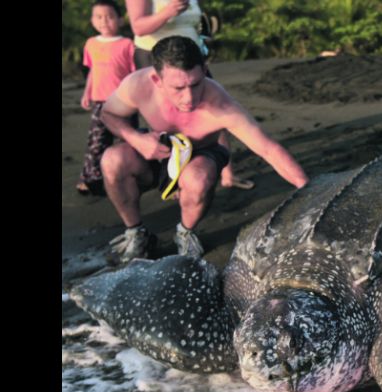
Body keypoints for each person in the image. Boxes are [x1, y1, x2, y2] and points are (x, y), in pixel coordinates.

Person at [99, 35, 309, 263]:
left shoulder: (221, 105)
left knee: (197, 177)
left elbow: (268, 149)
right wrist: (136, 139)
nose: (189, 97)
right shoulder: (138, 84)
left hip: (201, 156)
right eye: (178, 88)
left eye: (196, 84)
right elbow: (107, 114)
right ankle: (136, 234)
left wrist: (309, 190)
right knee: (112, 159)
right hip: (159, 148)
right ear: (157, 80)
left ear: (204, 71)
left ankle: (186, 233)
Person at [126, 0, 254, 190]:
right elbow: (138, 27)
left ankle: (228, 174)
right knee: (170, 121)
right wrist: (169, 11)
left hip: (191, 59)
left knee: (216, 111)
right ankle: (174, 180)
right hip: (159, 60)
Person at [77, 0, 137, 196]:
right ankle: (90, 179)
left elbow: (134, 74)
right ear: (92, 20)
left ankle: (128, 176)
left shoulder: (127, 44)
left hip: (123, 102)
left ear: (120, 20)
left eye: (110, 16)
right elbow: (93, 71)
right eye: (99, 17)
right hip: (99, 102)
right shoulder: (91, 43)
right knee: (96, 141)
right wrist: (87, 92)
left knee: (126, 140)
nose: (104, 21)